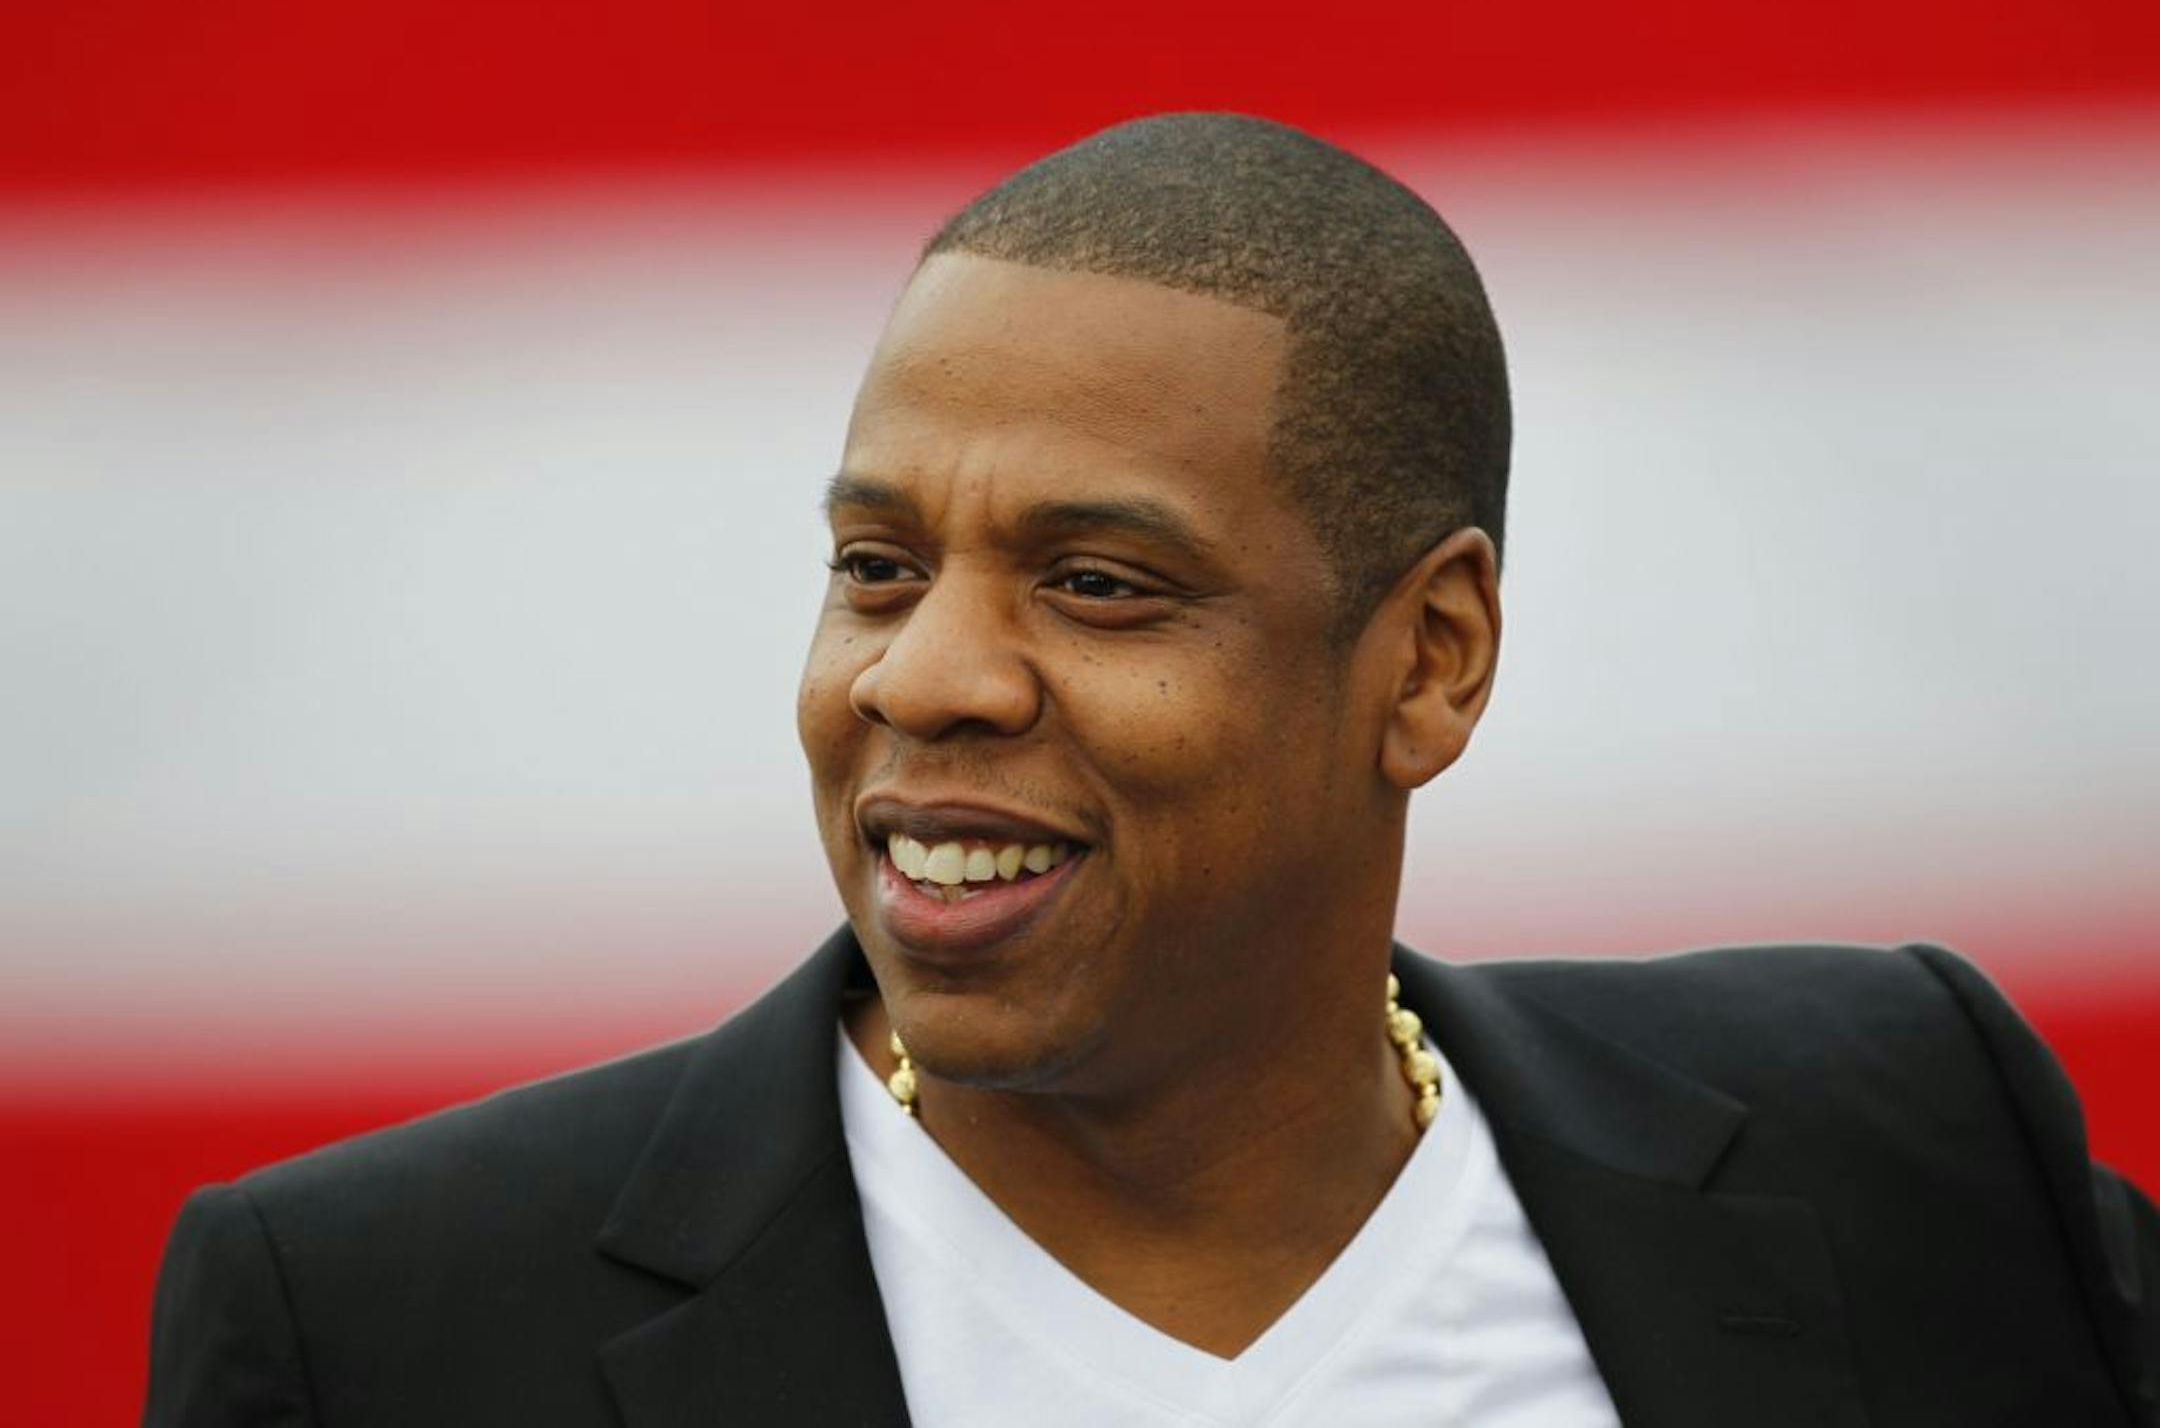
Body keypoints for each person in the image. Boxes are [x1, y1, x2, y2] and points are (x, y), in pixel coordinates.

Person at [144, 112, 2157, 1427]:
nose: (922, 677)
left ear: (1428, 662)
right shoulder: (382, 1328)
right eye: (877, 566)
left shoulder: (1894, 1137)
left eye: (1098, 583)